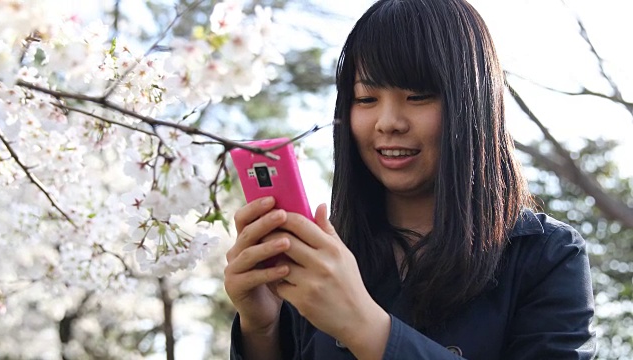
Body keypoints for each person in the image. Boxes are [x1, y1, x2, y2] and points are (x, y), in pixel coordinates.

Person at [223, 0, 596, 358]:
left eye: (418, 96)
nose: (388, 122)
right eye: (366, 99)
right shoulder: (328, 253)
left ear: (473, 103)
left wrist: (363, 326)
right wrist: (262, 328)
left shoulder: (547, 255)